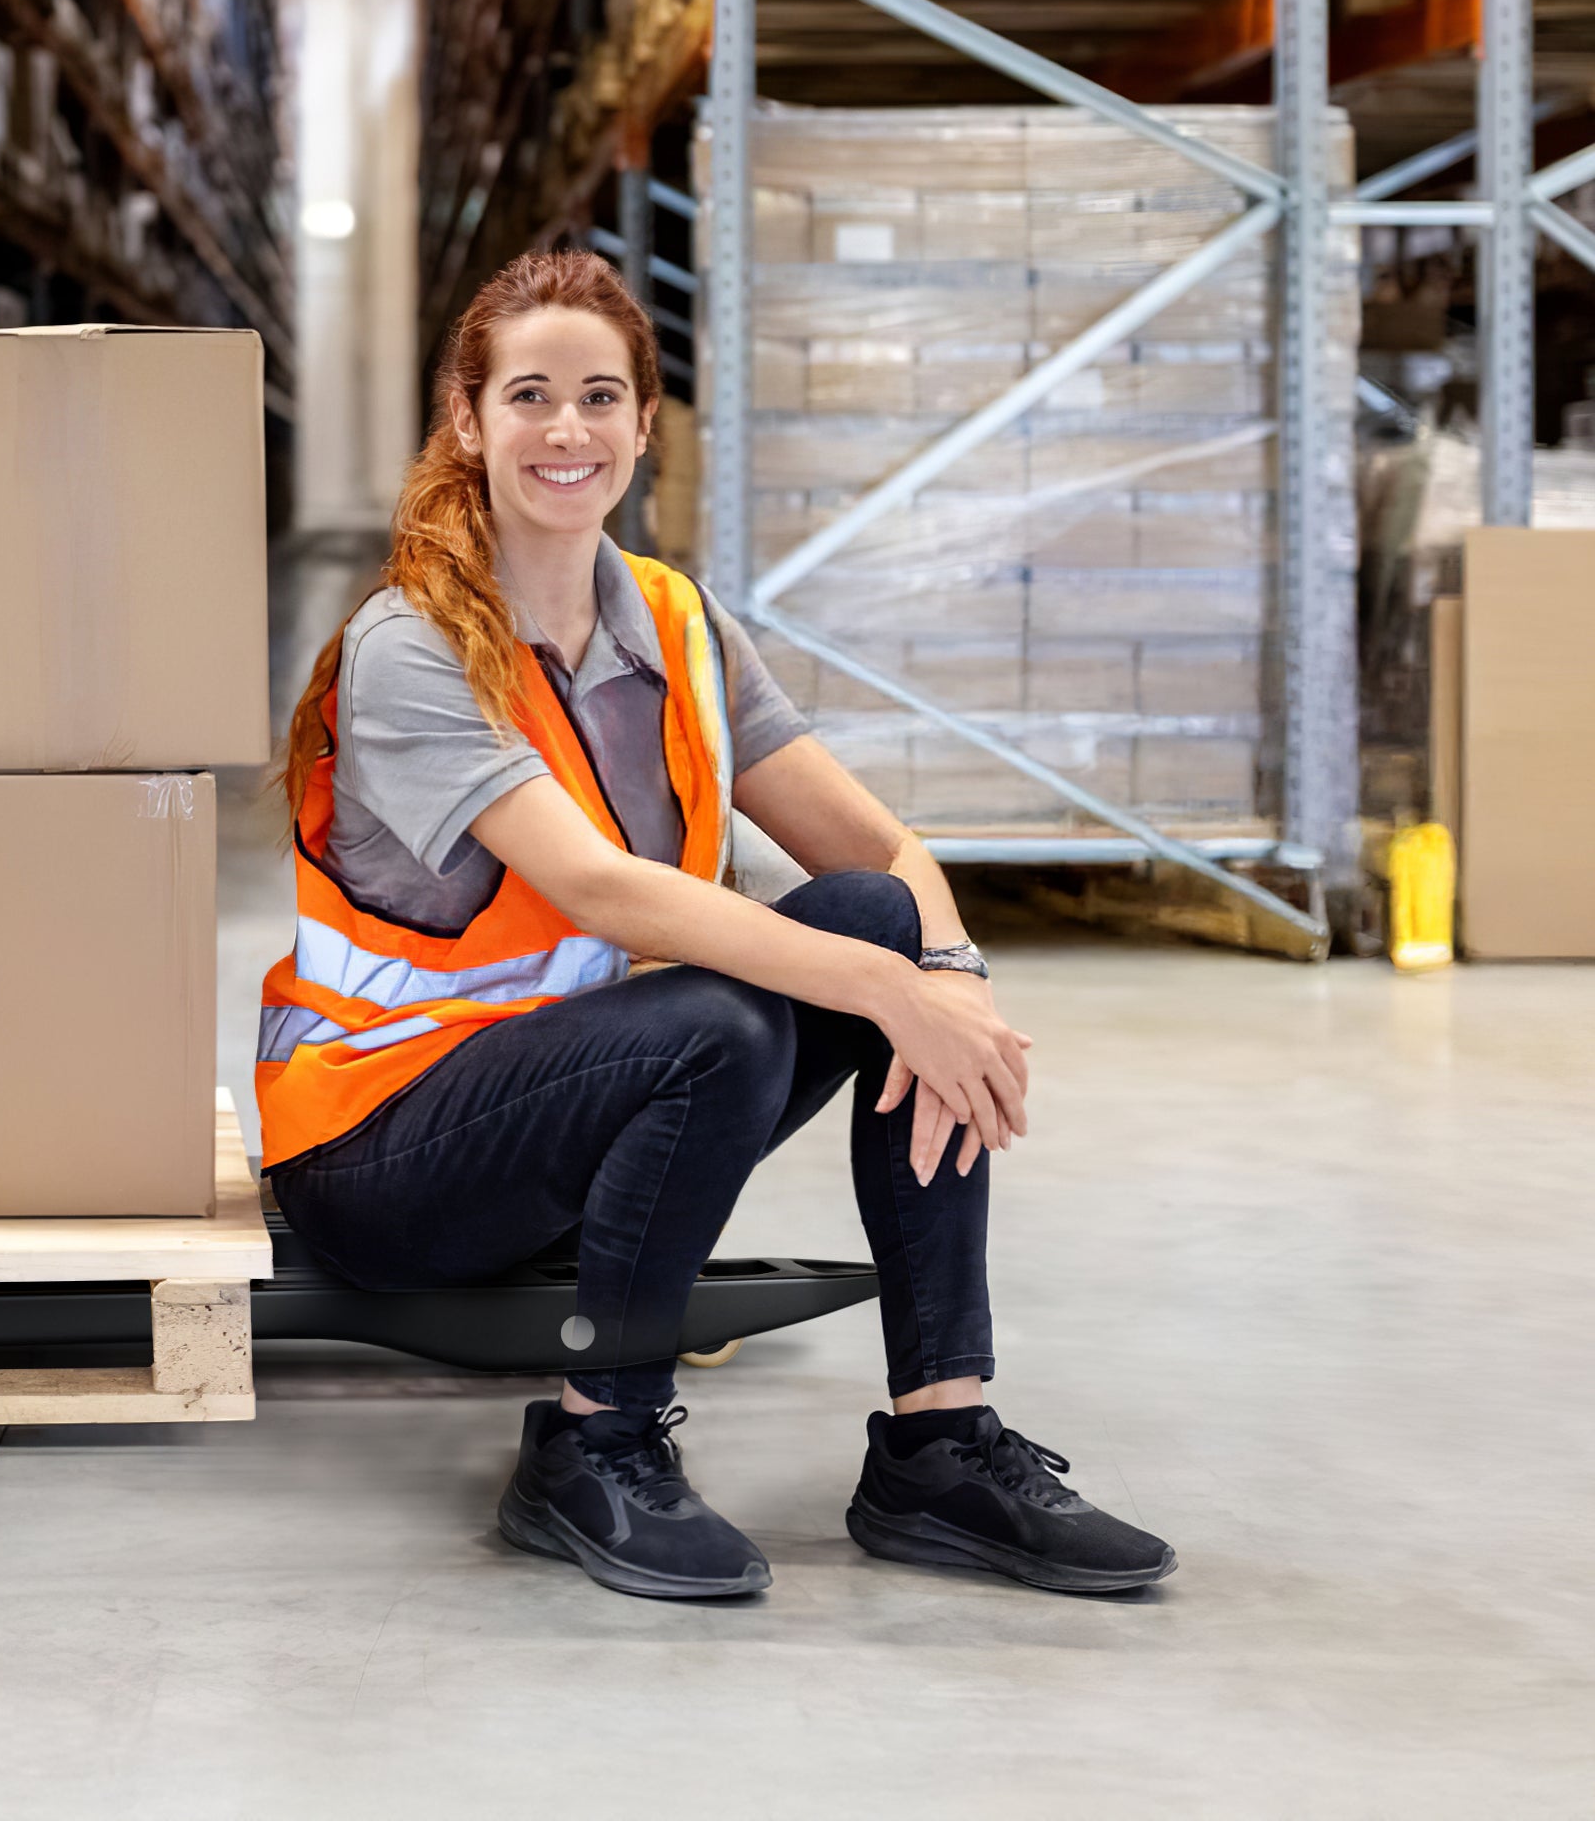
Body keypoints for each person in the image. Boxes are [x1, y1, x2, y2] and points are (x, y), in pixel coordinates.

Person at [257, 248, 1174, 1603]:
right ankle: (592, 1444)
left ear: (643, 424)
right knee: (733, 1016)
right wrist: (888, 986)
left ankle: (939, 1440)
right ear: (467, 421)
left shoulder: (677, 625)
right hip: (384, 1151)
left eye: (598, 396)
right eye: (527, 397)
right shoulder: (413, 648)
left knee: (876, 920)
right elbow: (602, 893)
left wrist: (947, 977)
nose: (564, 430)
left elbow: (876, 851)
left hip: (568, 1110)